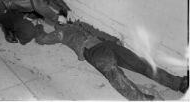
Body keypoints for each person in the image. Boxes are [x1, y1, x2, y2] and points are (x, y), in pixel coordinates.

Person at [34, 21, 189, 100]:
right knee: (113, 72)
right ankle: (138, 98)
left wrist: (113, 39)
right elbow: (42, 39)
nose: (64, 20)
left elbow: (97, 31)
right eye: (60, 19)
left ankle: (178, 83)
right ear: (57, 23)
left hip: (106, 44)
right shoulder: (60, 32)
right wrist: (38, 27)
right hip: (91, 50)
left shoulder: (77, 24)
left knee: (140, 63)